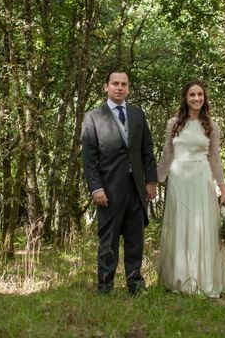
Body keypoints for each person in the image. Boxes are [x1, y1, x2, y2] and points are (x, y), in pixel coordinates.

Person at [81, 70, 158, 295]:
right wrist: (96, 187)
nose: (119, 87)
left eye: (124, 84)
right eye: (115, 83)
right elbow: (89, 157)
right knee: (109, 241)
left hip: (136, 188)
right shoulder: (93, 117)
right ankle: (105, 287)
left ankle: (135, 285)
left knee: (135, 240)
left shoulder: (137, 114)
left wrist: (151, 181)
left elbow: (147, 148)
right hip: (109, 190)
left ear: (128, 88)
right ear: (106, 87)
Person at [157, 80, 225, 297]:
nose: (196, 98)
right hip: (179, 180)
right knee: (181, 226)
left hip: (201, 179)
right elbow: (167, 156)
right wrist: (154, 183)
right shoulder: (174, 124)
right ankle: (179, 280)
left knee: (202, 228)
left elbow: (215, 159)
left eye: (200, 94)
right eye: (192, 94)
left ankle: (204, 280)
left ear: (205, 98)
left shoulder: (212, 126)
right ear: (185, 98)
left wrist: (222, 188)